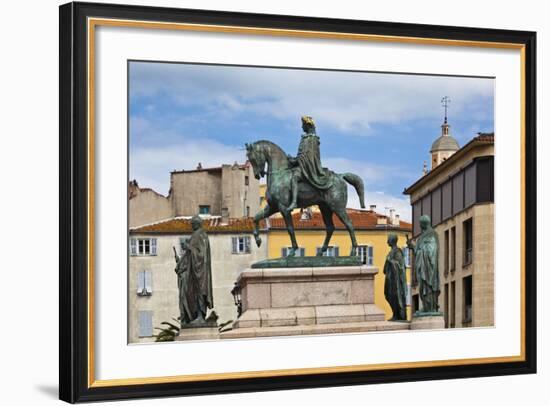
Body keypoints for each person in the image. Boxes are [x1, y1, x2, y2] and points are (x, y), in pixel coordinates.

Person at [285, 116, 333, 214]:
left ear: (307, 126)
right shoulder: (305, 138)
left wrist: (295, 161)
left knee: (294, 177)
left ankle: (294, 202)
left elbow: (308, 156)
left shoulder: (312, 138)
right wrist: (293, 159)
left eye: (303, 125)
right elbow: (302, 154)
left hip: (308, 167)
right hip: (302, 164)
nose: (302, 127)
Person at [173, 215, 214, 325]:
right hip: (193, 272)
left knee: (200, 292)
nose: (191, 225)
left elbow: (201, 254)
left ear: (197, 223)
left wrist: (188, 247)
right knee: (192, 294)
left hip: (200, 271)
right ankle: (195, 316)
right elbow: (189, 256)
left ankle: (200, 316)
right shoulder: (195, 235)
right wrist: (180, 261)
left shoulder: (201, 235)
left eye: (192, 224)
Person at [407, 215, 440, 313]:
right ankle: (426, 307)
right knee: (422, 287)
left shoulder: (432, 234)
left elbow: (431, 250)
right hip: (423, 267)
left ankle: (430, 307)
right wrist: (412, 247)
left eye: (420, 224)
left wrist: (420, 250)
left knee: (428, 287)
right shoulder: (422, 236)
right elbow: (419, 250)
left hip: (429, 267)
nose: (419, 226)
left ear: (423, 224)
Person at [383, 233, 408, 321]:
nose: (387, 241)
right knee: (389, 295)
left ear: (392, 240)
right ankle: (395, 314)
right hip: (390, 279)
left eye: (388, 239)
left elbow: (400, 266)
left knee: (396, 296)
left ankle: (398, 315)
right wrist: (388, 262)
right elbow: (385, 269)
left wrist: (390, 261)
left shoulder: (398, 252)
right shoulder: (390, 252)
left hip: (396, 281)